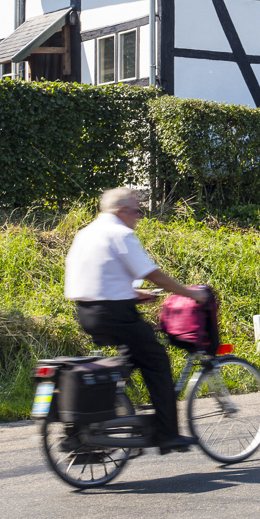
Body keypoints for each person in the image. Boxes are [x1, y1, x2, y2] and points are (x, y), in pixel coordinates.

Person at [64, 187, 209, 453]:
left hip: (87, 312)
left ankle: (120, 412)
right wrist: (191, 293)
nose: (139, 216)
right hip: (116, 315)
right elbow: (154, 275)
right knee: (157, 361)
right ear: (121, 211)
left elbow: (97, 279)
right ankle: (168, 435)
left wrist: (132, 294)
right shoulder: (120, 233)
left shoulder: (85, 233)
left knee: (128, 360)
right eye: (136, 210)